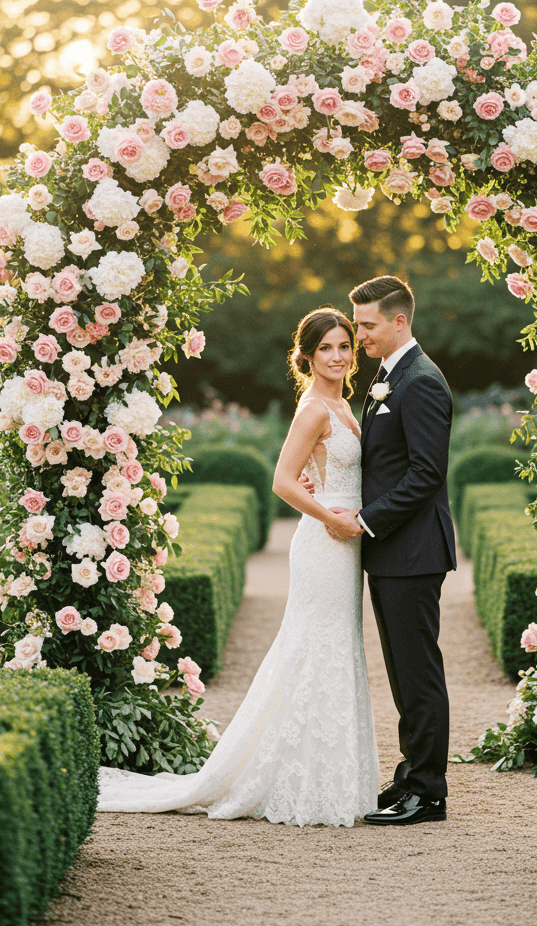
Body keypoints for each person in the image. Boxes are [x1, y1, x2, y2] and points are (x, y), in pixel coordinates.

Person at [96, 307, 379, 826]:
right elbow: (283, 481)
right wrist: (329, 517)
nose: (337, 356)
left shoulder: (342, 405)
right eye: (326, 349)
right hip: (325, 541)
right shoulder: (314, 407)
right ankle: (300, 781)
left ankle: (330, 777)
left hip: (346, 538)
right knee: (316, 646)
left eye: (344, 346)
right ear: (308, 357)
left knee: (336, 645)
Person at [345, 275, 455, 827]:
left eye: (366, 326)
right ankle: (412, 774)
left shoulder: (421, 382)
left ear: (398, 321)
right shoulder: (388, 377)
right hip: (392, 553)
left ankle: (428, 793)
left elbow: (426, 475)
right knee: (402, 671)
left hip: (412, 552)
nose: (358, 335)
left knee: (418, 673)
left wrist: (367, 519)